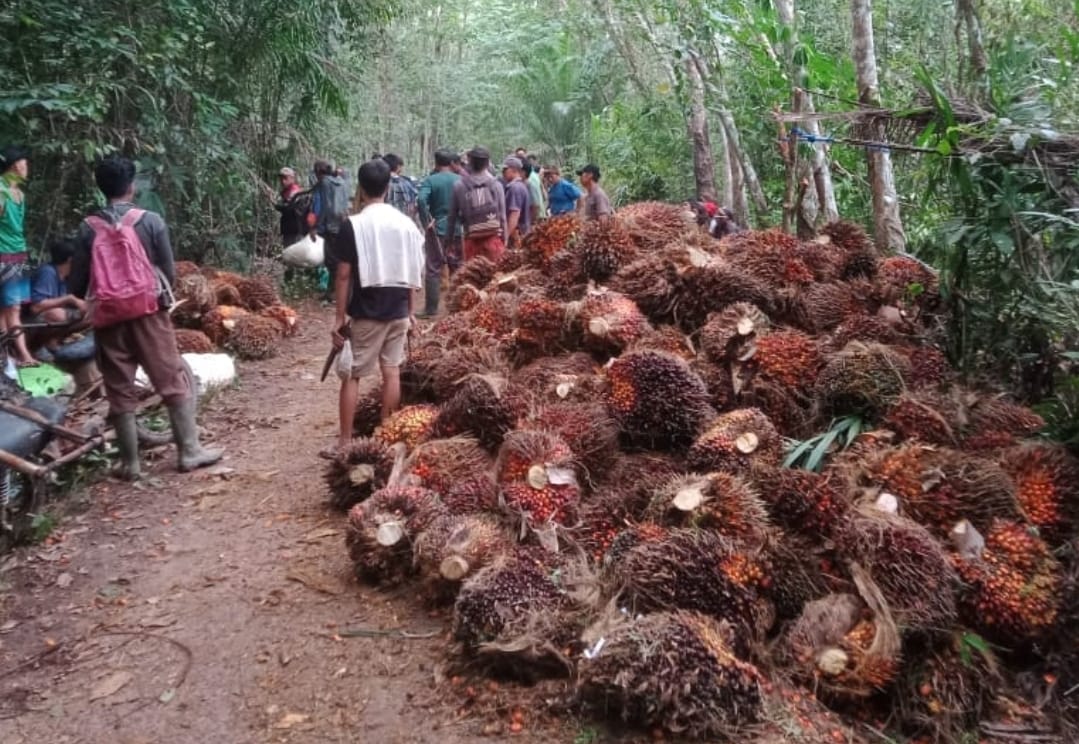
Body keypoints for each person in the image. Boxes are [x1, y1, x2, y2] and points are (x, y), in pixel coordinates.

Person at [70, 157, 222, 480]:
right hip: (148, 312)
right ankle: (189, 451)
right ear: (131, 187)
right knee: (170, 377)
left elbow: (78, 283)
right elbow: (167, 270)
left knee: (119, 387)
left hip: (109, 318)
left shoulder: (87, 228)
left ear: (100, 188)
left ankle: (130, 464)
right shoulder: (150, 221)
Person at [328, 158, 424, 455]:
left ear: (360, 187)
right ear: (388, 186)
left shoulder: (353, 225)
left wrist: (339, 317)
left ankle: (345, 443)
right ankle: (386, 436)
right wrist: (410, 311)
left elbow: (344, 275)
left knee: (352, 374)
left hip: (368, 312)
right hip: (398, 310)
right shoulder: (406, 225)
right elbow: (413, 273)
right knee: (391, 371)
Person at [0, 146, 36, 367]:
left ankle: (13, 356)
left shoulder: (19, 194)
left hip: (18, 254)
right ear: (15, 165)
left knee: (10, 308)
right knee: (10, 307)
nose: (26, 168)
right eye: (25, 163)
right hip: (4, 255)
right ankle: (21, 355)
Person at [23, 238, 89, 353]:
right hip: (27, 323)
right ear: (70, 259)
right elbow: (36, 307)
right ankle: (38, 346)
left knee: (92, 315)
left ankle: (53, 341)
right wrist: (70, 299)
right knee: (57, 314)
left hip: (43, 323)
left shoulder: (62, 277)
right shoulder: (48, 272)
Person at [416, 149, 462, 316]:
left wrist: (426, 222)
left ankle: (431, 309)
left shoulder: (430, 180)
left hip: (437, 229)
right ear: (451, 163)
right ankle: (459, 308)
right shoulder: (460, 180)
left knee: (434, 267)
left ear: (435, 163)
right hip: (458, 228)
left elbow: (421, 199)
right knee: (457, 266)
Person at [446, 147, 507, 263]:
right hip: (493, 240)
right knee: (496, 276)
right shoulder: (496, 185)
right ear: (488, 163)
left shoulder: (459, 186)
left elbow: (451, 218)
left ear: (469, 162)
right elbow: (503, 217)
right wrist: (504, 240)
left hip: (471, 241)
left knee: (473, 277)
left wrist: (448, 242)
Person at [273, 166, 305, 248]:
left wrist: (277, 205)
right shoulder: (285, 192)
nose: (283, 181)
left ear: (292, 178)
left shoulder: (295, 191)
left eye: (285, 178)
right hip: (288, 228)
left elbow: (288, 207)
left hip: (295, 228)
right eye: (281, 178)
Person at [501, 156, 532, 244]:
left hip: (516, 235)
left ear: (514, 170)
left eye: (505, 170)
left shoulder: (515, 188)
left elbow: (514, 214)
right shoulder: (520, 186)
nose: (502, 172)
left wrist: (505, 237)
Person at [383, 153, 418, 220]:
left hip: (384, 222)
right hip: (403, 221)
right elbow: (414, 205)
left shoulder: (379, 183)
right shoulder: (407, 183)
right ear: (398, 167)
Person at [521, 159, 545, 224]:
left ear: (523, 172)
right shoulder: (534, 175)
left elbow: (535, 204)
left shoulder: (530, 181)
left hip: (536, 217)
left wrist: (530, 221)